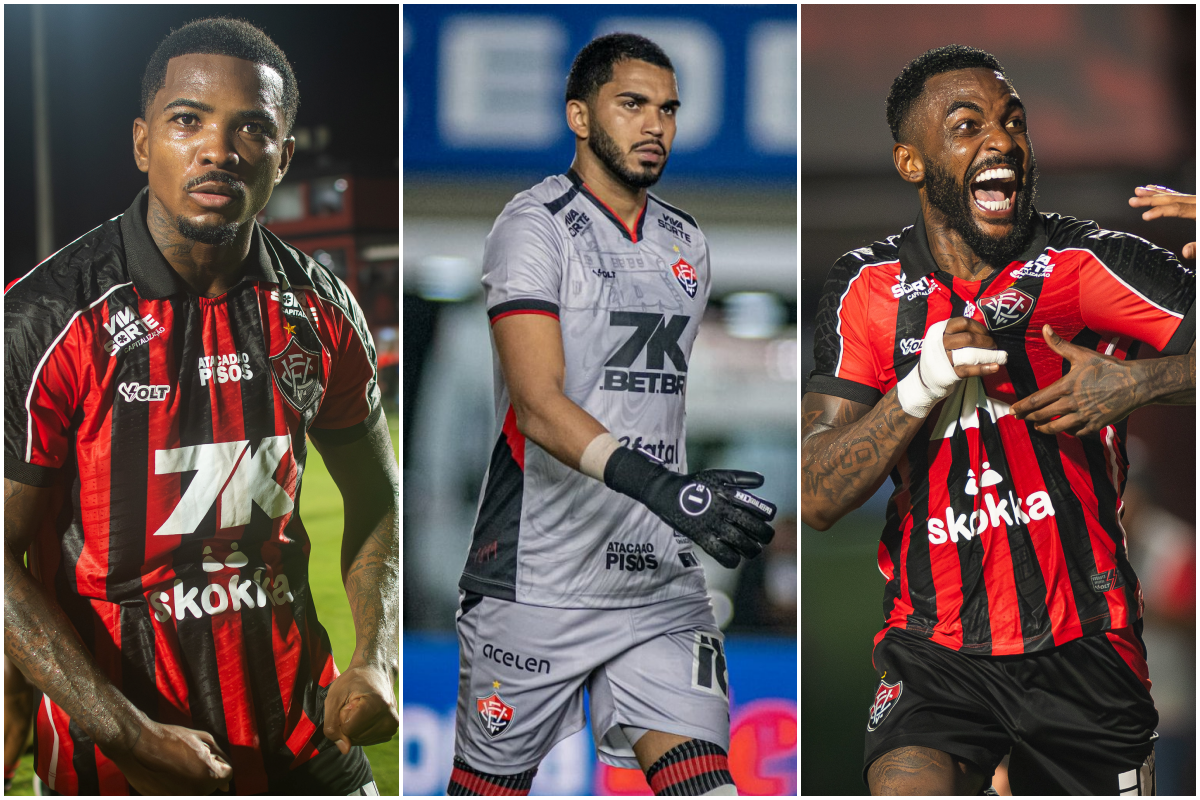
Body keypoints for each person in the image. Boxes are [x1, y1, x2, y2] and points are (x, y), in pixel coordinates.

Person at [4, 18, 398, 795]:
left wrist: (374, 657)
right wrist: (126, 730)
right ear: (144, 143)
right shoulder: (46, 320)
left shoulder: (319, 311)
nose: (218, 149)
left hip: (306, 742)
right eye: (188, 121)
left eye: (251, 128)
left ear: (283, 157)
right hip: (121, 764)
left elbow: (375, 493)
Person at [801, 44, 1194, 796]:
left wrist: (1139, 382)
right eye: (967, 124)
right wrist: (920, 386)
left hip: (1088, 644)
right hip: (935, 649)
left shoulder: (1088, 263)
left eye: (1014, 120)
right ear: (912, 162)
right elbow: (817, 494)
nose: (1001, 139)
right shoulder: (868, 289)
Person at [447, 33, 777, 797]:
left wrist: (675, 499)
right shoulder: (532, 226)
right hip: (538, 581)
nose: (654, 125)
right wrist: (664, 486)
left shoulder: (686, 241)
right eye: (631, 105)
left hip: (658, 581)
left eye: (667, 109)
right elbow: (537, 406)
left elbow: (650, 403)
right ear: (580, 115)